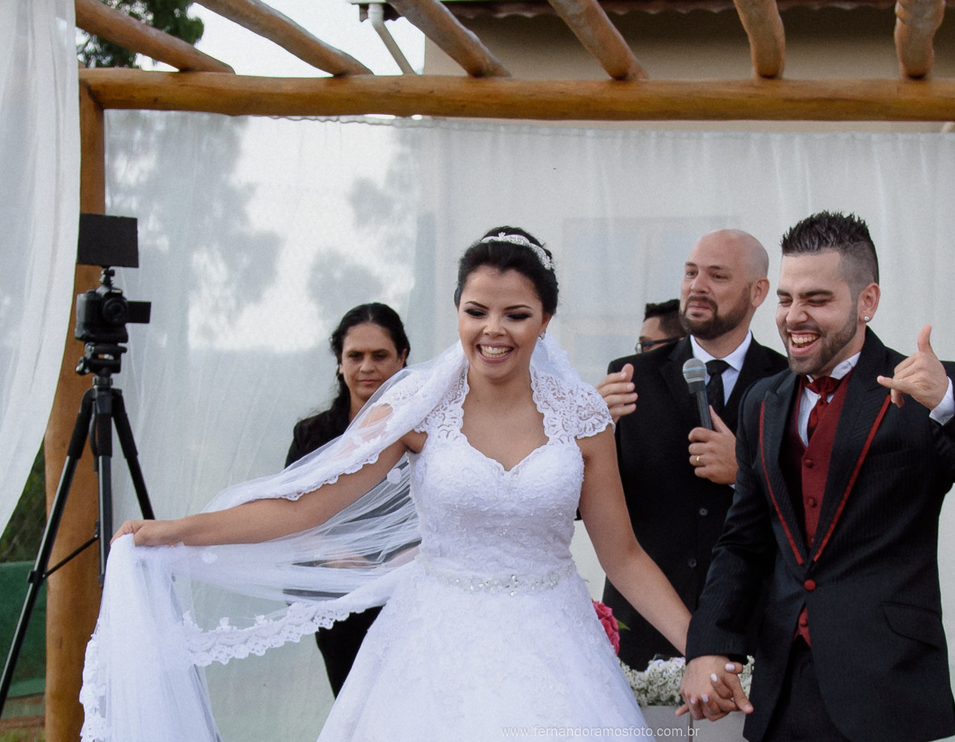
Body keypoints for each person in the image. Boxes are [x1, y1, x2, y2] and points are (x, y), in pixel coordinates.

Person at [84, 227, 692, 742]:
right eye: (476, 311)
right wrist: (177, 532)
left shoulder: (582, 416)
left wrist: (704, 645)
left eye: (516, 314)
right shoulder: (417, 408)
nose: (493, 331)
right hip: (433, 648)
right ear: (457, 309)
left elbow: (625, 556)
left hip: (557, 648)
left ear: (546, 320)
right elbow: (305, 506)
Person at [679, 212, 955, 742]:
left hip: (888, 688)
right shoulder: (763, 401)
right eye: (785, 300)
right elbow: (743, 542)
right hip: (782, 692)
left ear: (867, 301)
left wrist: (949, 401)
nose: (793, 317)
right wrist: (708, 645)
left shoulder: (926, 392)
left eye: (818, 300)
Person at [597, 230, 788, 670]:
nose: (696, 287)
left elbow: (816, 508)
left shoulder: (787, 383)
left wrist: (745, 471)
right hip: (643, 632)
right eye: (690, 273)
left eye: (717, 276)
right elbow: (578, 504)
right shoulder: (630, 378)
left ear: (758, 291)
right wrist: (590, 433)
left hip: (751, 633)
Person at [286, 303, 410, 696]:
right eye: (355, 356)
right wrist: (331, 550)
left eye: (380, 355)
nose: (367, 367)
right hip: (338, 601)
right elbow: (288, 516)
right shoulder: (313, 435)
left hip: (408, 598)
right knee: (353, 710)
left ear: (402, 357)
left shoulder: (426, 433)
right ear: (339, 362)